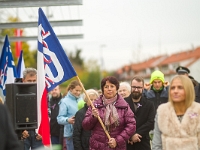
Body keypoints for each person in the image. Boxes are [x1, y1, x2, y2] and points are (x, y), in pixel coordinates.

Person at [82, 76, 136, 150]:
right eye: (106, 87)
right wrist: (93, 117)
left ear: (117, 89)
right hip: (97, 147)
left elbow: (131, 126)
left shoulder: (124, 106)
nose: (109, 89)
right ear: (103, 89)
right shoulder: (94, 105)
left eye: (112, 86)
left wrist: (117, 140)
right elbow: (86, 126)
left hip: (117, 147)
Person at [152, 75, 200, 150]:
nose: (175, 91)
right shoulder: (162, 111)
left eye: (180, 87)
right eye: (172, 88)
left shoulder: (198, 110)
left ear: (189, 90)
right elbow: (157, 145)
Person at [125, 76, 155, 150]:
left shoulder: (149, 104)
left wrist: (137, 134)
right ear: (131, 87)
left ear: (142, 88)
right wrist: (131, 136)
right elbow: (120, 121)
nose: (136, 89)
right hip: (127, 143)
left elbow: (151, 122)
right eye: (134, 87)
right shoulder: (123, 103)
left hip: (143, 142)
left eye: (138, 87)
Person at [19, 68, 43, 150]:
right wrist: (20, 131)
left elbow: (47, 112)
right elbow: (11, 114)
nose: (32, 83)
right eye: (29, 81)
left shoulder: (42, 93)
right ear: (23, 80)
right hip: (23, 132)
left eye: (34, 80)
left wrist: (43, 130)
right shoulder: (15, 92)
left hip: (38, 132)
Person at [57, 80, 83, 150]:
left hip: (81, 132)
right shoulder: (64, 101)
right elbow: (59, 119)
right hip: (70, 134)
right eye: (76, 90)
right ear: (71, 89)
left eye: (80, 91)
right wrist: (68, 120)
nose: (78, 93)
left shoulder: (82, 99)